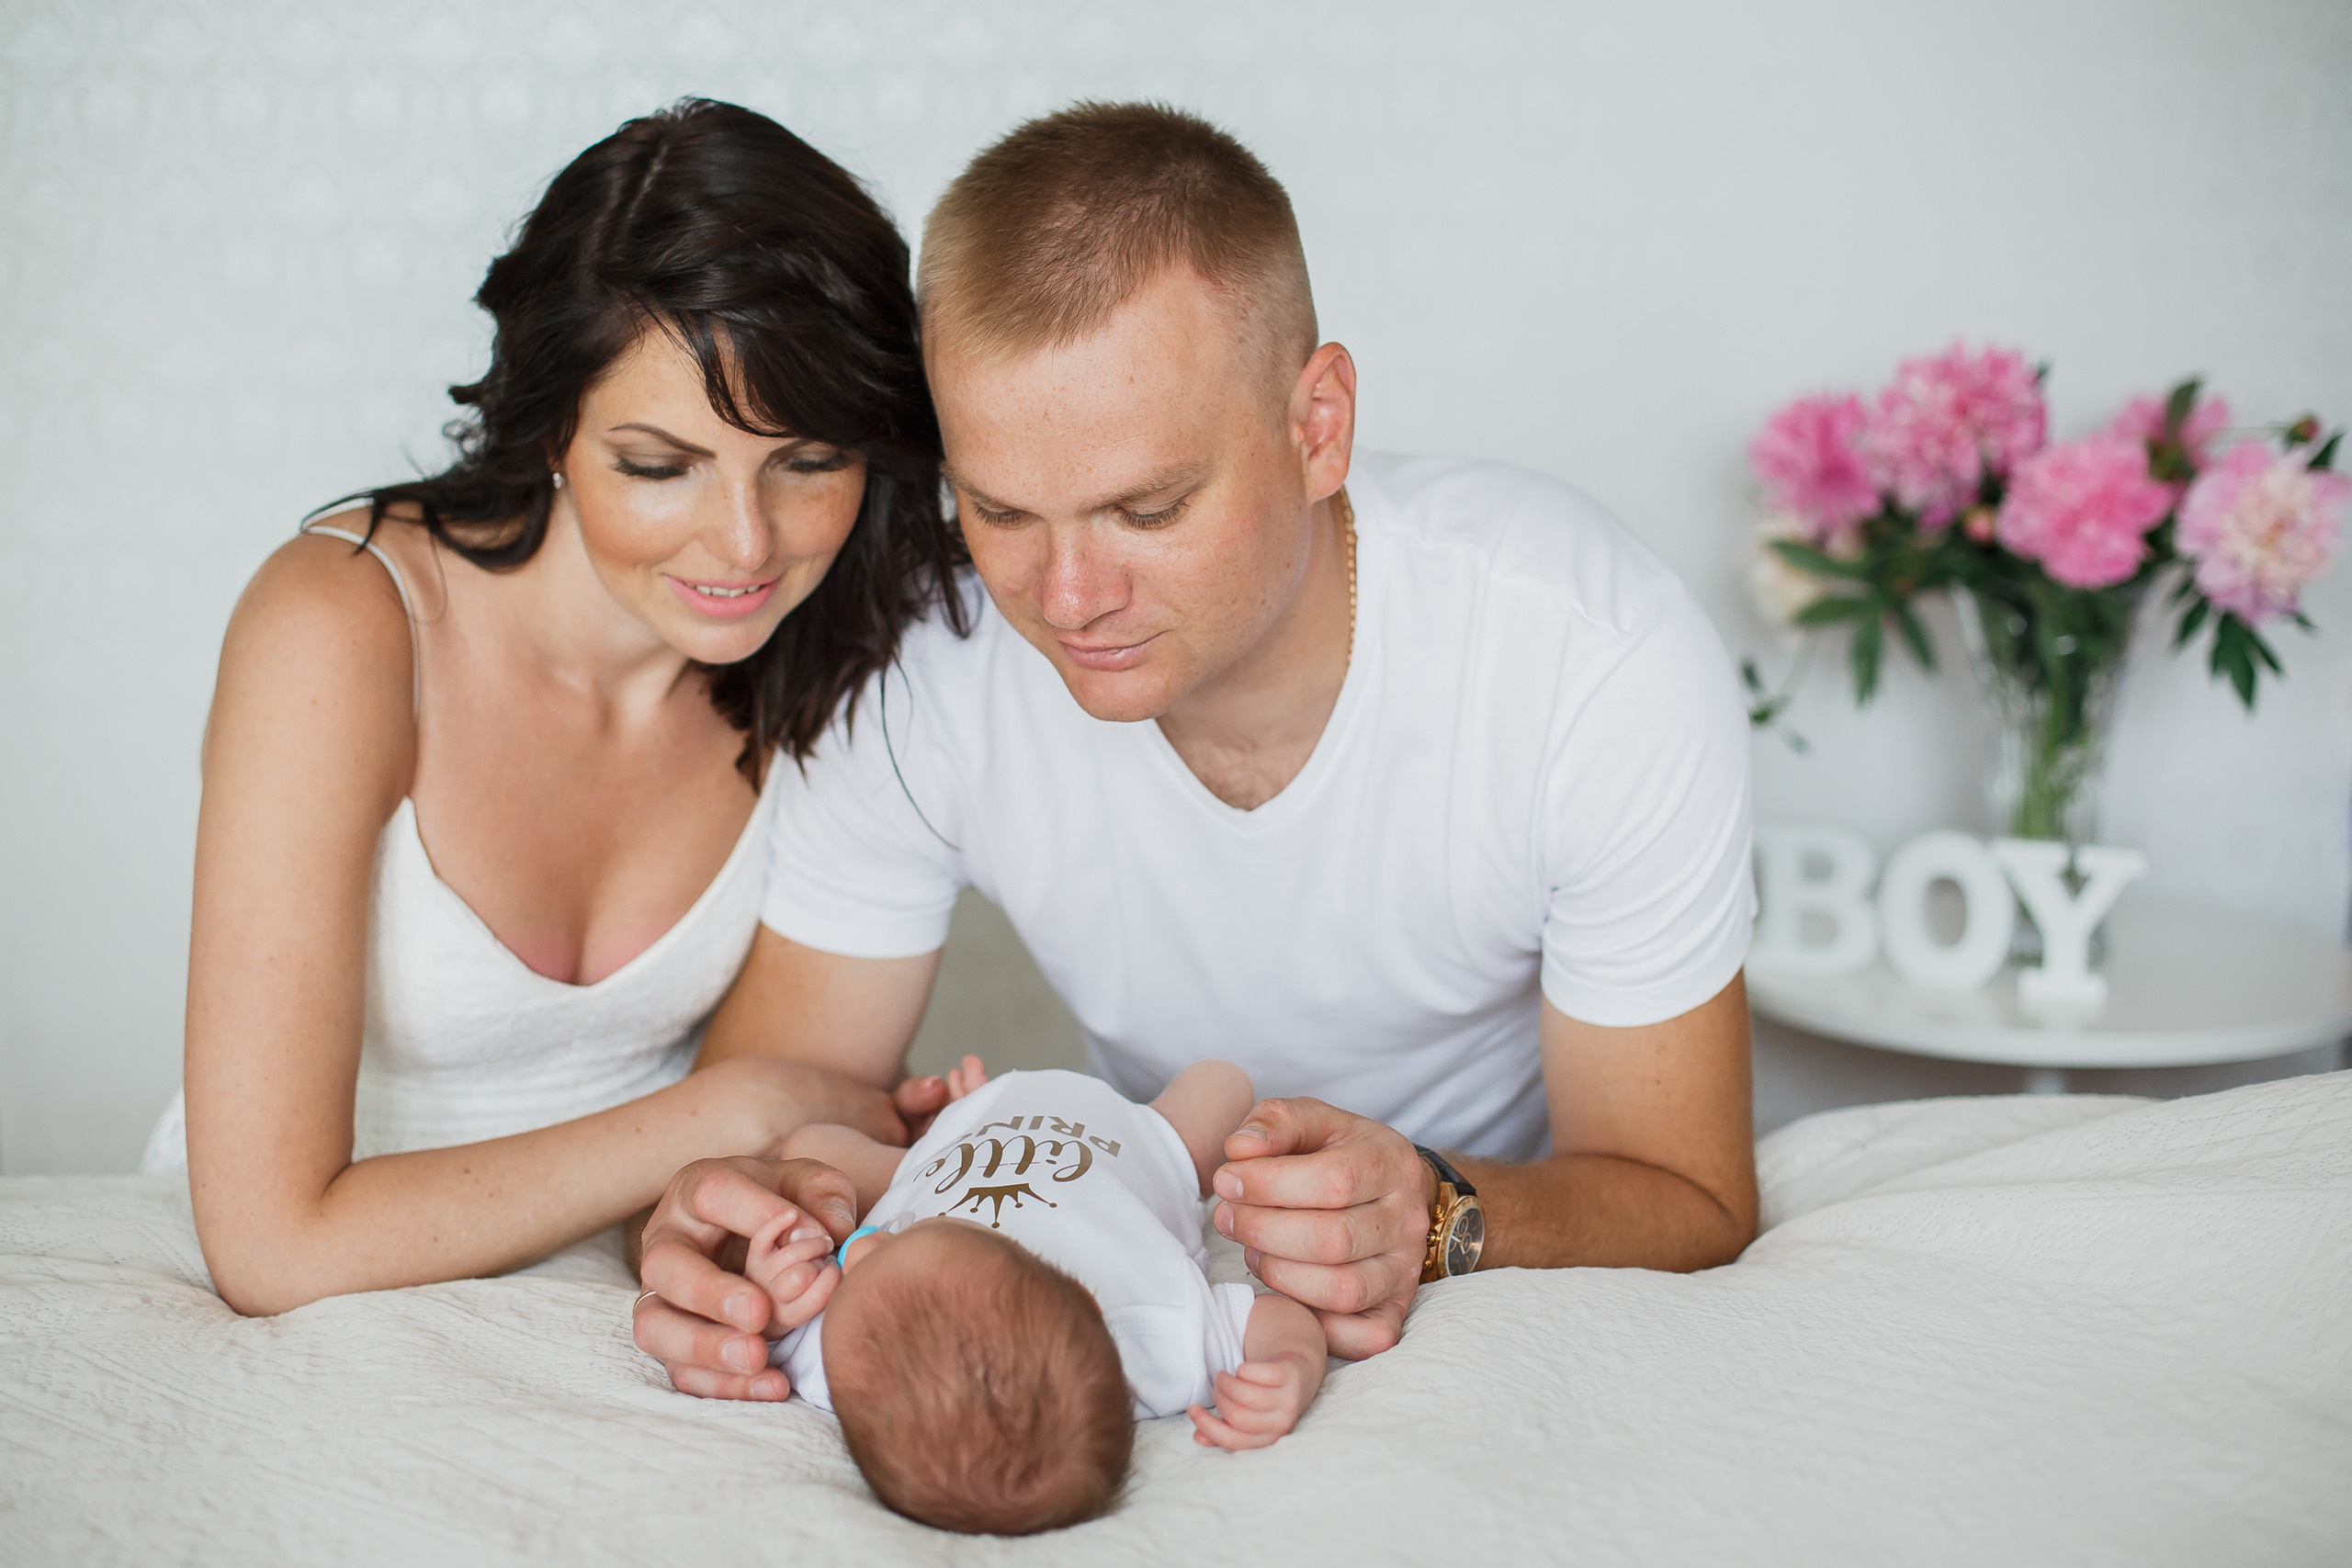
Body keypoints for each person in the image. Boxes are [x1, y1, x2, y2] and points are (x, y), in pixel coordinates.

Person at [635, 101, 1758, 1396]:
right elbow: (780, 1101)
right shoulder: (920, 658)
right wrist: (729, 1222)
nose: (1065, 596)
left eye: (1147, 507)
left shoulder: (1588, 656)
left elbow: (1688, 1193)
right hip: (1153, 1244)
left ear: (1318, 424)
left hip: (1484, 1237)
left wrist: (1434, 1211)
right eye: (997, 508)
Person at [151, 100, 965, 1315]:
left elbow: (776, 1140)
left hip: (608, 1292)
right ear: (549, 434)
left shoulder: (848, 644)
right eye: (658, 465)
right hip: (314, 1307)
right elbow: (273, 1245)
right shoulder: (341, 627)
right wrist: (730, 1110)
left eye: (807, 460)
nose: (746, 542)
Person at [746, 1057, 1326, 1534]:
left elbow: (766, 1330)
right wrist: (1290, 1365)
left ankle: (942, 1121)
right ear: (1082, 1294)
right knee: (1224, 1083)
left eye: (862, 1261)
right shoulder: (1152, 1337)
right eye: (902, 1235)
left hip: (946, 1152)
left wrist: (776, 1298)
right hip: (1135, 1136)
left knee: (810, 1146)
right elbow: (1275, 1316)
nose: (866, 1246)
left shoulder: (839, 1365)